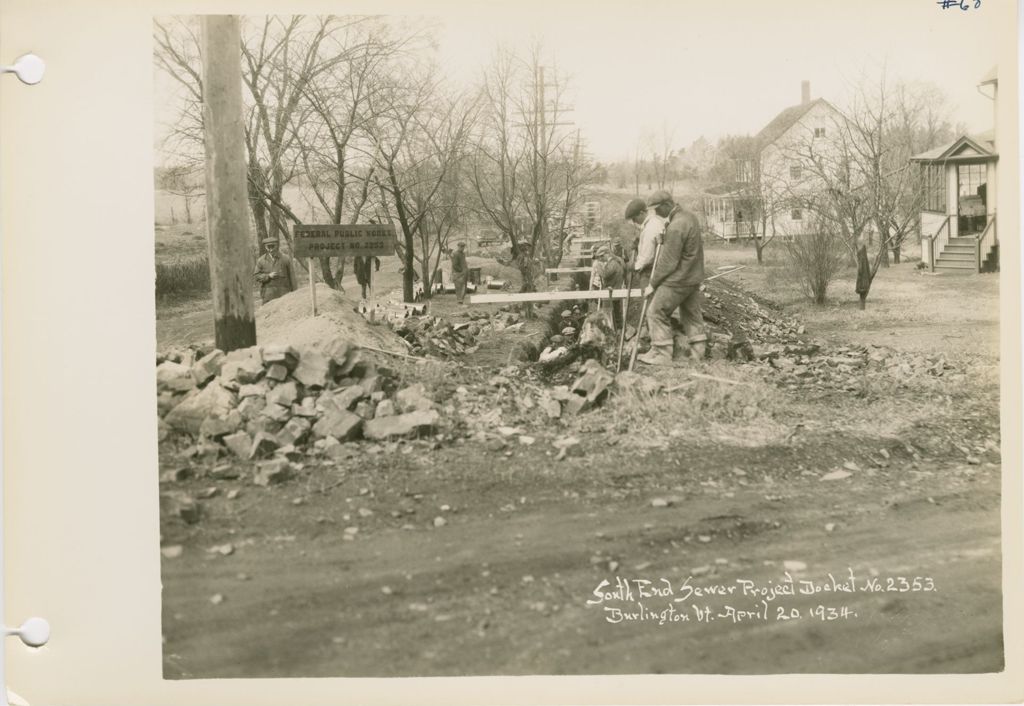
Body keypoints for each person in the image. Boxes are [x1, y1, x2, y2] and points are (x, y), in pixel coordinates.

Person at [637, 191, 707, 366]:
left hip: (678, 280)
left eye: (656, 209)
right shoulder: (689, 218)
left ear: (667, 205)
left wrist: (652, 285)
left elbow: (668, 262)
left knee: (655, 312)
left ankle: (662, 353)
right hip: (693, 277)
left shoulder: (676, 226)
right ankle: (699, 354)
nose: (655, 213)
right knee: (691, 316)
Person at [625, 195, 667, 290]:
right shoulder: (653, 222)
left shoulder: (650, 228)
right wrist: (639, 241)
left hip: (651, 272)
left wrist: (635, 266)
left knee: (648, 300)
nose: (634, 221)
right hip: (658, 269)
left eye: (634, 218)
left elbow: (647, 257)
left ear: (641, 213)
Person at [590, 244, 627, 330]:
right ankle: (618, 331)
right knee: (616, 314)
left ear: (607, 254)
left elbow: (605, 275)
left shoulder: (613, 263)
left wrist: (598, 266)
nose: (600, 259)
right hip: (616, 290)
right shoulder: (618, 260)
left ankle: (613, 332)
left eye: (601, 257)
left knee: (608, 316)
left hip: (611, 293)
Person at [253, 237, 297, 304]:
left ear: (276, 246)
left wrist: (295, 293)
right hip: (268, 294)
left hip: (284, 293)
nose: (271, 249)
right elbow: (256, 276)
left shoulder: (285, 258)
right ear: (265, 247)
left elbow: (292, 277)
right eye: (268, 247)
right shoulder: (261, 260)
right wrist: (268, 276)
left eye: (272, 246)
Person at [451, 241, 468, 305]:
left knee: (463, 287)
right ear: (458, 247)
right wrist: (461, 270)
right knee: (459, 287)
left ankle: (461, 300)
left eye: (463, 247)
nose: (462, 248)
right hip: (458, 273)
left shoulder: (463, 254)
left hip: (463, 273)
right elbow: (455, 265)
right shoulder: (455, 254)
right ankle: (459, 300)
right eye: (461, 247)